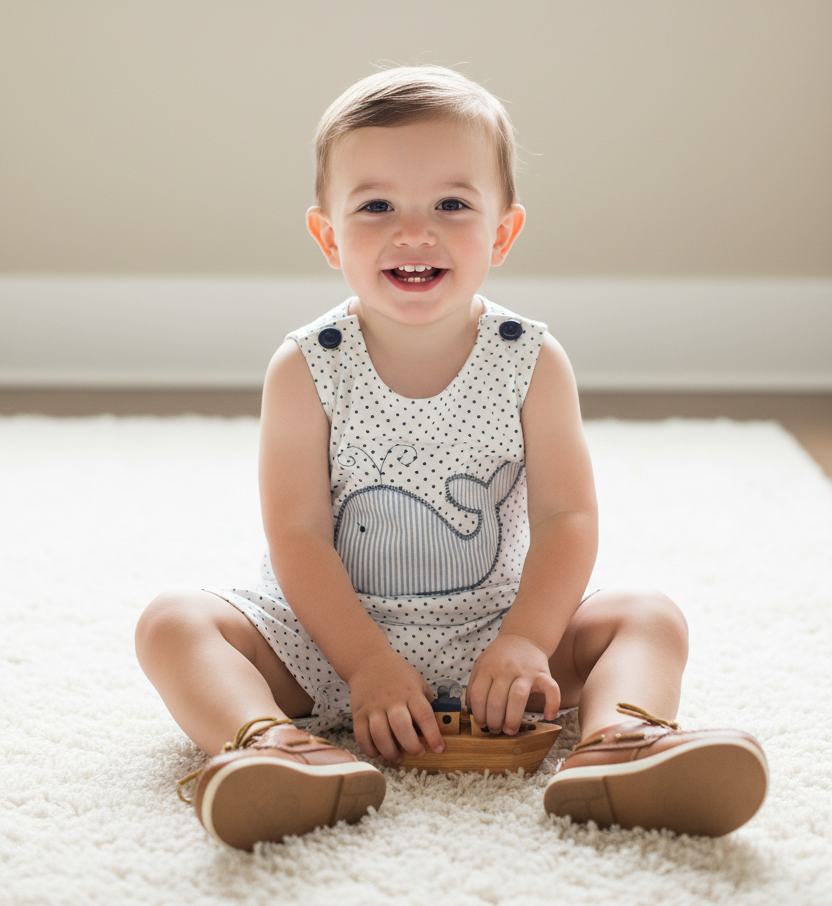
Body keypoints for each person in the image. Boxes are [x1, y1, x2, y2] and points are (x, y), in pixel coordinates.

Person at [135, 66, 768, 851]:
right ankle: (271, 748)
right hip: (327, 644)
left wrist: (528, 640)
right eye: (376, 207)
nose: (414, 232)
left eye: (452, 205)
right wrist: (365, 664)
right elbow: (296, 534)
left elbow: (567, 518)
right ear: (328, 236)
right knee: (172, 623)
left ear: (502, 232)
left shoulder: (531, 360)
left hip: (497, 638)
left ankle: (619, 744)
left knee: (648, 615)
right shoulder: (306, 366)